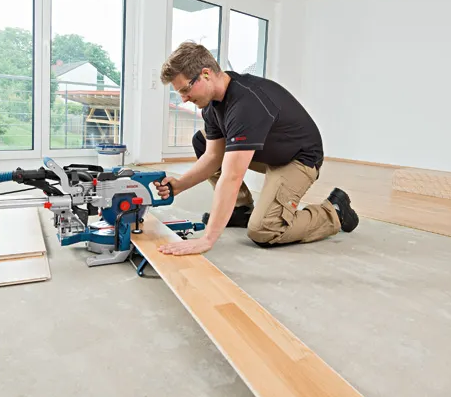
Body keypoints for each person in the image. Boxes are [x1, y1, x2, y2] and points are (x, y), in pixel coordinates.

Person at [154, 41, 359, 256]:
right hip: (268, 150)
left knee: (265, 229)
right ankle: (241, 209)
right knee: (202, 141)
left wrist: (207, 239)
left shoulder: (245, 103)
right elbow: (213, 156)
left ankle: (334, 211)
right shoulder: (212, 105)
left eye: (185, 89)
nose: (184, 99)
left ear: (206, 74)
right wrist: (179, 185)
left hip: (298, 158)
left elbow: (232, 176)